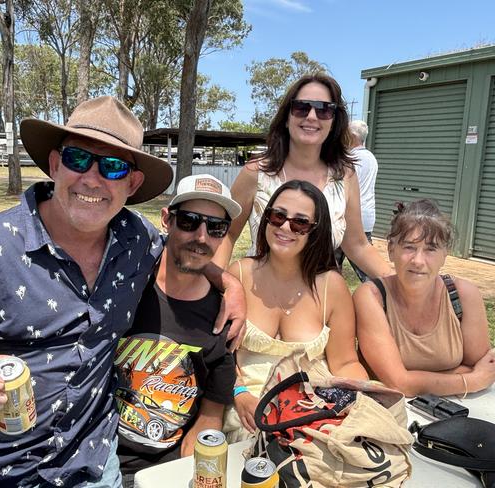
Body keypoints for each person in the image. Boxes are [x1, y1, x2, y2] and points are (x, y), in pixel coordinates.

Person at [0, 96, 245, 488]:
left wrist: (229, 283)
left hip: (87, 462)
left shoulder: (137, 239)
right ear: (54, 165)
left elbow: (186, 251)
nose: (92, 179)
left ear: (132, 184)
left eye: (113, 167)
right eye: (79, 159)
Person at [115, 174, 241, 486]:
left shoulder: (222, 319)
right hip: (100, 455)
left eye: (215, 228)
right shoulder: (124, 286)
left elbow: (211, 412)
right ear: (166, 220)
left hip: (166, 468)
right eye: (189, 221)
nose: (201, 236)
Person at [222, 180, 369, 442]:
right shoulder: (240, 275)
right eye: (277, 216)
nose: (285, 227)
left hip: (312, 410)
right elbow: (220, 353)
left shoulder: (331, 287)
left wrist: (359, 401)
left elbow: (345, 362)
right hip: (246, 408)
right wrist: (239, 391)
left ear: (316, 230)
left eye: (300, 222)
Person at [216, 73, 391, 280]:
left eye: (324, 110)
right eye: (301, 107)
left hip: (320, 302)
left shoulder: (344, 177)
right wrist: (218, 285)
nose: (311, 116)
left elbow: (358, 245)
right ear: (287, 118)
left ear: (334, 122)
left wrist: (397, 284)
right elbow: (227, 235)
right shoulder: (256, 173)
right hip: (258, 298)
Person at [354, 199, 495, 398]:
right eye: (409, 247)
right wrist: (471, 381)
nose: (418, 261)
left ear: (445, 254)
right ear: (391, 250)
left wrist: (413, 380)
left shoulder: (464, 295)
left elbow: (482, 366)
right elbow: (398, 383)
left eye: (431, 249)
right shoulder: (371, 296)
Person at [335, 120, 378, 282]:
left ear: (351, 136)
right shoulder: (371, 158)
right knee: (366, 263)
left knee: (330, 265)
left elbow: (343, 190)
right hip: (367, 217)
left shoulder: (350, 160)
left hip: (350, 218)